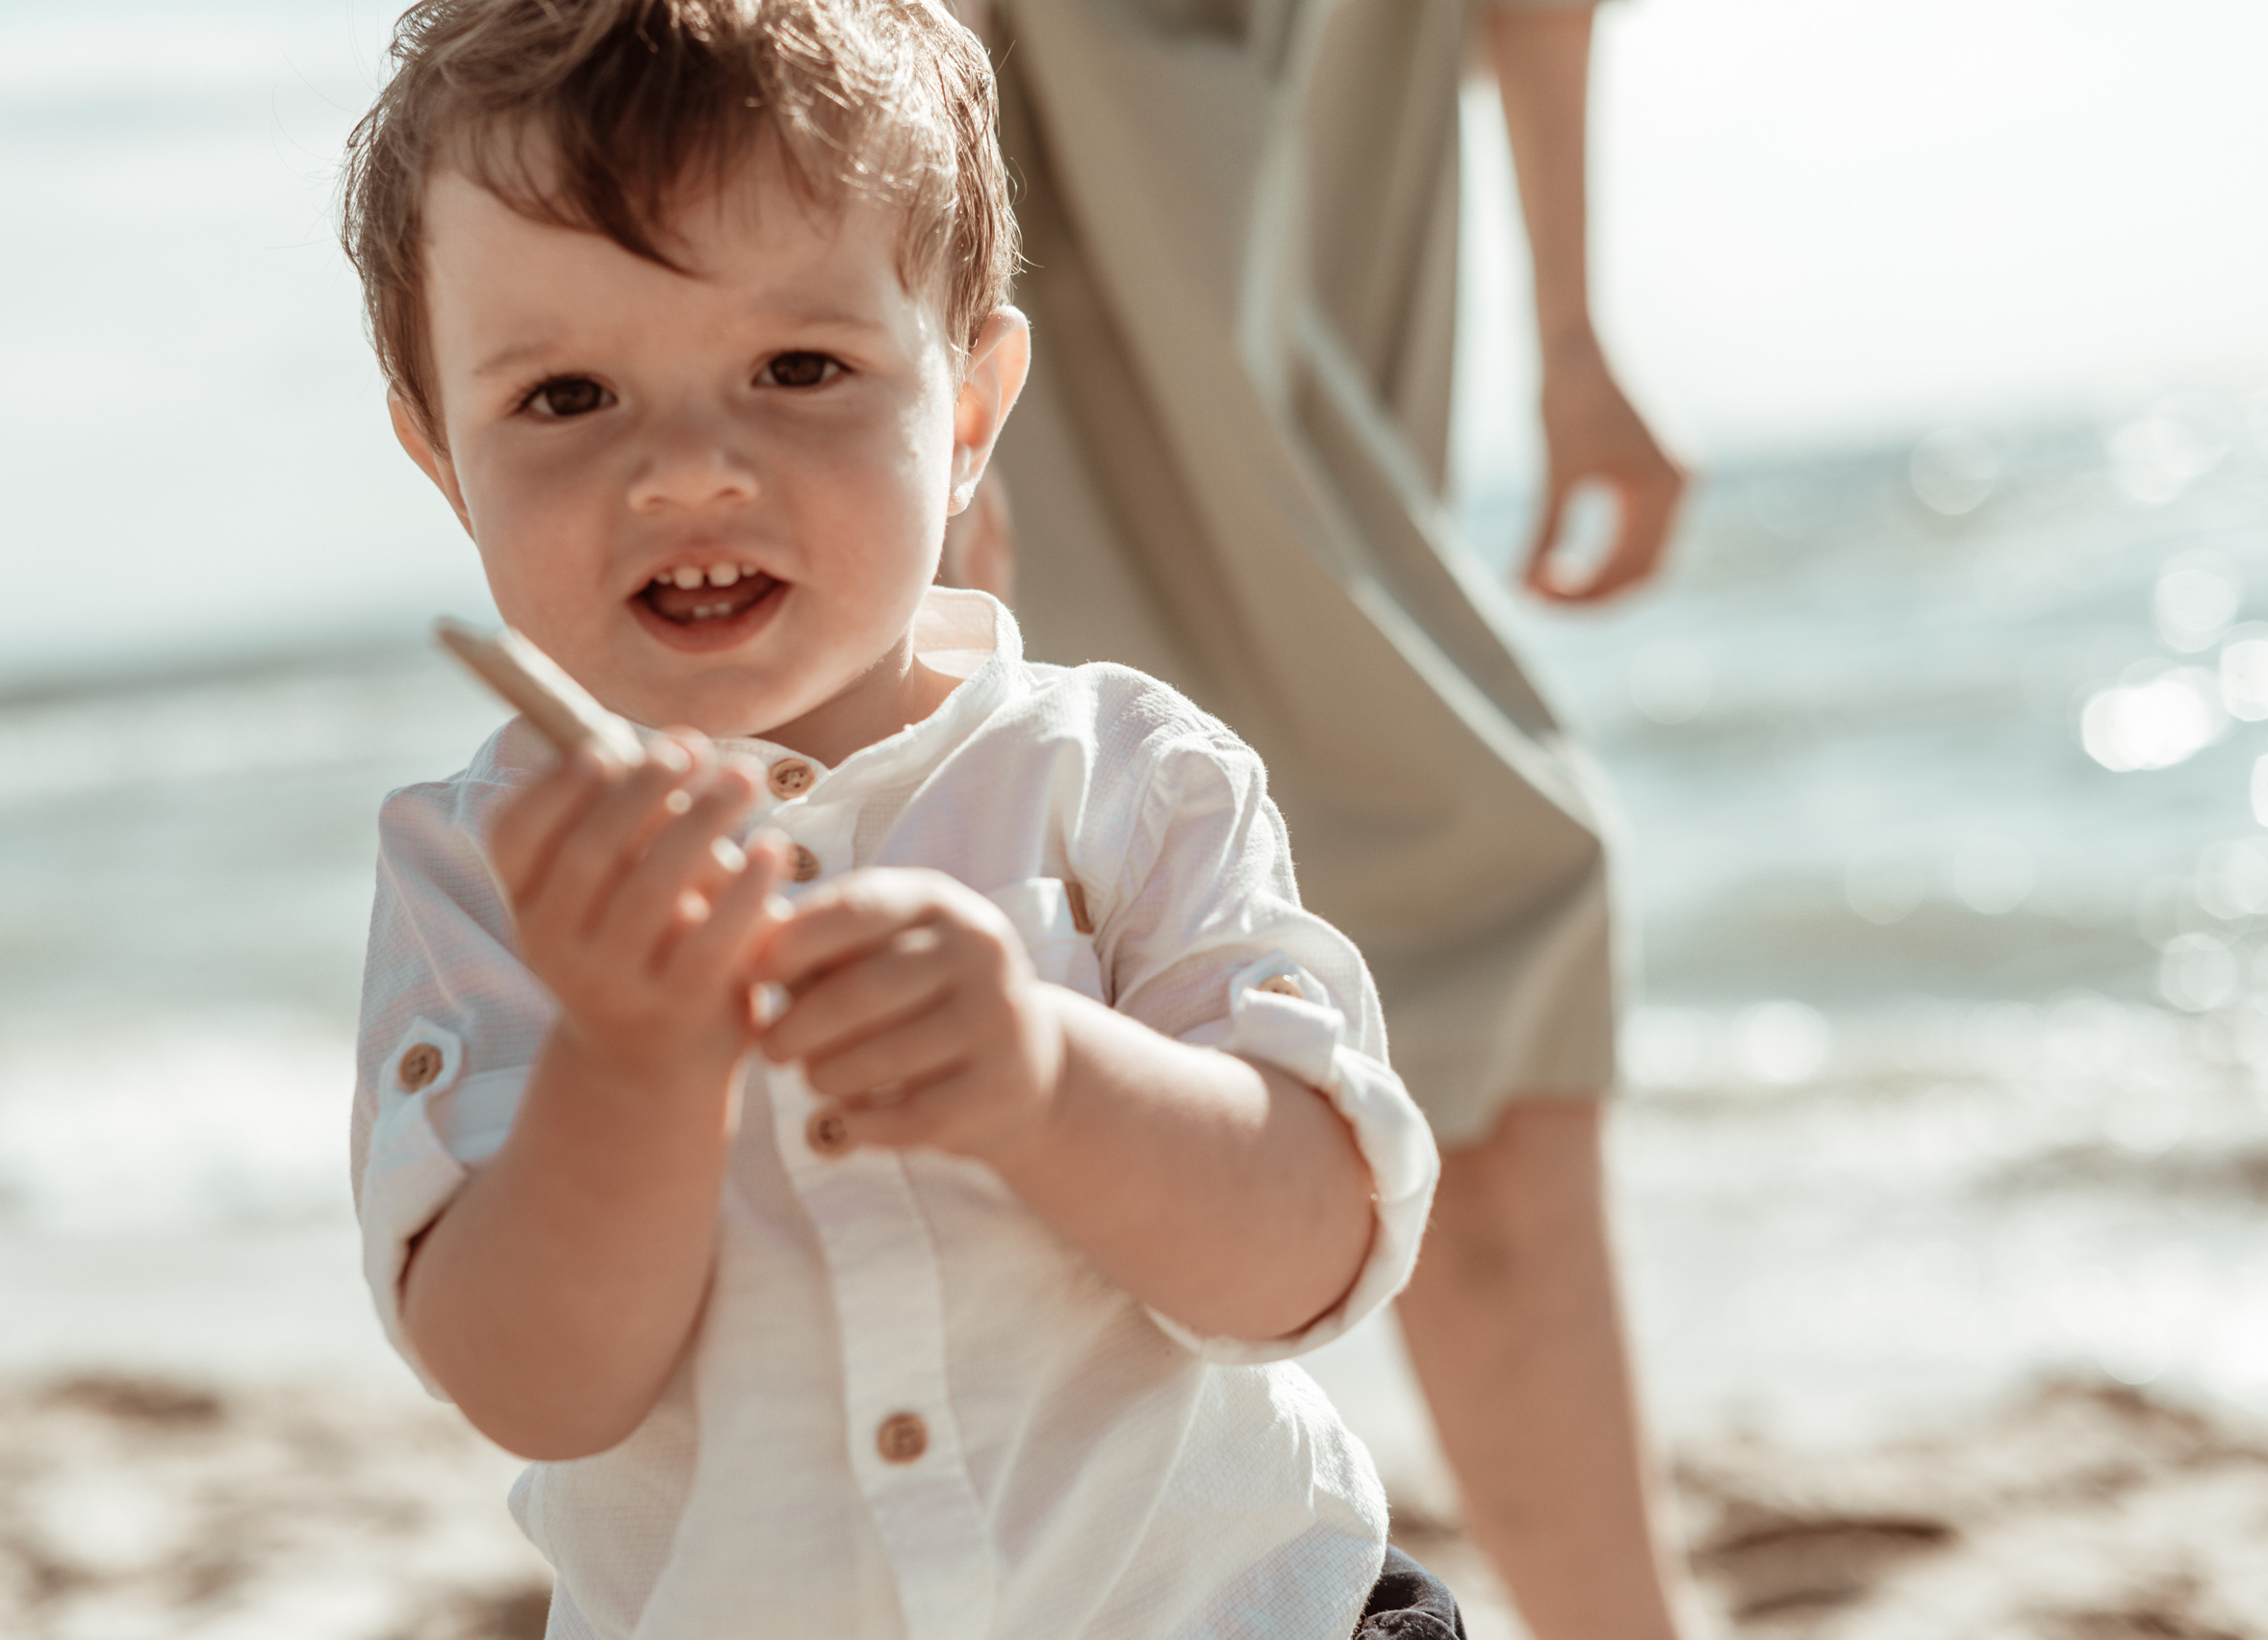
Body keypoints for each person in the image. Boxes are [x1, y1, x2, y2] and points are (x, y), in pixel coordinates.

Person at [339, 2, 1465, 1634]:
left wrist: (1039, 1071)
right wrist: (635, 1063)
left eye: (800, 367)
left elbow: (1308, 1261)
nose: (686, 472)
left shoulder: (1126, 772)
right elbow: (535, 1390)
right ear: (444, 454)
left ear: (968, 410)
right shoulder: (482, 877)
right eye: (568, 397)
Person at [938, 4, 1695, 1638]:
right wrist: (891, 390)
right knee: (1475, 882)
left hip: (1337, 104)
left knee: (1415, 901)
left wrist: (1570, 329)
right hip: (1014, 98)